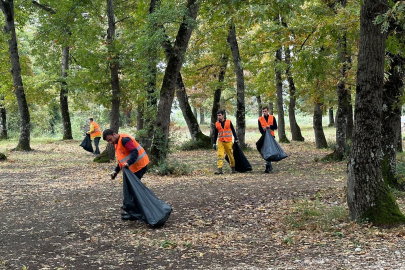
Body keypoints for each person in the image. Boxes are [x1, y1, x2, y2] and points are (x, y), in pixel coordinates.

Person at [103, 129, 150, 220]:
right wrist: (115, 171)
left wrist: (129, 163)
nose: (110, 142)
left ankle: (134, 212)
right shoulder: (117, 143)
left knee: (131, 189)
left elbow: (134, 152)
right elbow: (122, 160)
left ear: (114, 134)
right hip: (133, 168)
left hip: (139, 166)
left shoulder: (124, 140)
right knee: (130, 189)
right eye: (108, 141)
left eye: (110, 139)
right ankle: (132, 210)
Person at [213, 110, 238, 174]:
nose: (218, 117)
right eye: (218, 115)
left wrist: (236, 138)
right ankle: (219, 169)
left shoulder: (229, 122)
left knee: (230, 155)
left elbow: (233, 130)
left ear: (223, 115)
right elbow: (215, 134)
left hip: (228, 141)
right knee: (220, 155)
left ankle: (233, 168)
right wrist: (214, 143)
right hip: (220, 141)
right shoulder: (217, 124)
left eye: (220, 115)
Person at [258, 107, 278, 173]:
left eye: (265, 111)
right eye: (263, 111)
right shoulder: (260, 119)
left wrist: (269, 126)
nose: (264, 112)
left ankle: (269, 165)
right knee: (267, 151)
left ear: (268, 111)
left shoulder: (272, 117)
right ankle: (268, 165)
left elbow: (275, 127)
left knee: (270, 151)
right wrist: (264, 134)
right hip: (265, 137)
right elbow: (260, 129)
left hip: (272, 136)